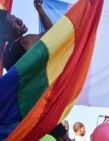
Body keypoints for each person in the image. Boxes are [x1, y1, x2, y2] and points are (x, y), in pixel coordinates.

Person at [0, 0, 70, 140]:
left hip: (21, 107)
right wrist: (39, 9)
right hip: (39, 103)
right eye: (13, 21)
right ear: (7, 35)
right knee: (63, 138)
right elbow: (54, 34)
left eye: (15, 17)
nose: (19, 20)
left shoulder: (6, 53)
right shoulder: (26, 41)